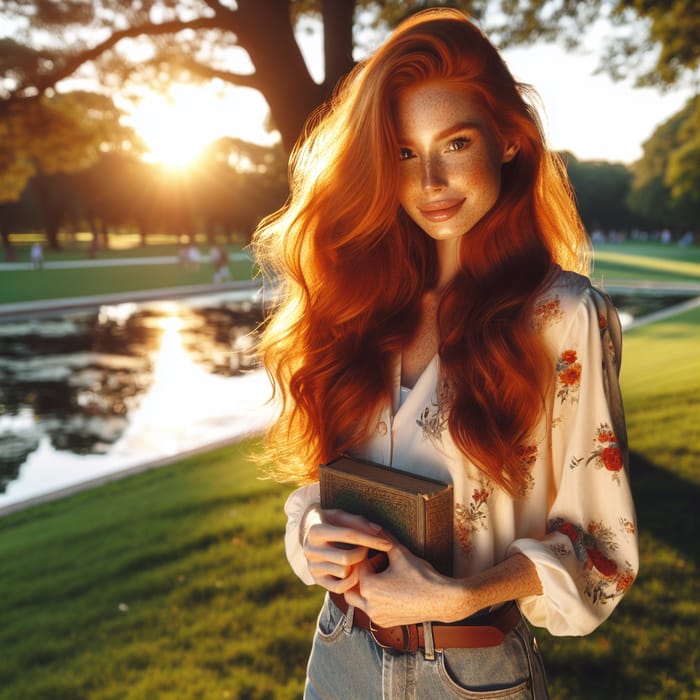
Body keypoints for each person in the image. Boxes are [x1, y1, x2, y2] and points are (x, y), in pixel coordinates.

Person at [253, 9, 638, 699]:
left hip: (471, 673)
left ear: (510, 141)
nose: (430, 180)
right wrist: (312, 529)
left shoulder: (563, 316)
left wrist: (457, 597)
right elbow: (325, 484)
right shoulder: (361, 303)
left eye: (455, 143)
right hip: (338, 652)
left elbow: (602, 552)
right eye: (404, 152)